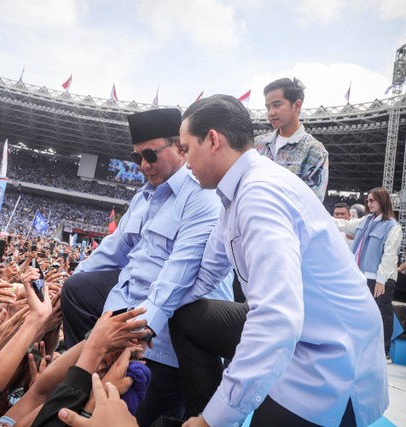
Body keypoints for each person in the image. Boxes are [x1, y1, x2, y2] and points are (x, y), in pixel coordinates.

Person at [170, 94, 387, 427]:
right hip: (301, 326)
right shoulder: (235, 193)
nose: (184, 162)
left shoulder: (259, 194)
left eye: (186, 149)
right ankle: (200, 410)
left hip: (328, 351)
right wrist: (148, 322)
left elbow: (277, 318)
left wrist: (214, 420)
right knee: (187, 317)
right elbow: (204, 276)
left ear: (213, 140)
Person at [61, 108, 233, 427]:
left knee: (134, 417)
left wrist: (136, 331)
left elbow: (177, 277)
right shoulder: (145, 197)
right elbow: (112, 252)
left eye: (150, 154)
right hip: (136, 310)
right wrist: (68, 299)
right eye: (137, 156)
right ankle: (89, 366)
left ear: (180, 147)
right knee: (76, 290)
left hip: (168, 332)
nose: (143, 165)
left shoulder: (202, 196)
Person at [334, 187, 402, 363]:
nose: (369, 204)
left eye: (372, 200)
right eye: (368, 201)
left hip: (381, 279)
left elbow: (389, 256)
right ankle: (361, 347)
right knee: (361, 312)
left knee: (382, 313)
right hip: (362, 275)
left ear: (383, 200)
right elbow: (344, 225)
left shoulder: (393, 227)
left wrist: (381, 280)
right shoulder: (366, 220)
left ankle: (384, 351)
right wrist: (321, 216)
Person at [255, 77, 328, 201]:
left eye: (276, 105)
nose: (271, 113)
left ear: (297, 106)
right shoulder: (257, 144)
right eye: (268, 107)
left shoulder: (314, 151)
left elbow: (312, 203)